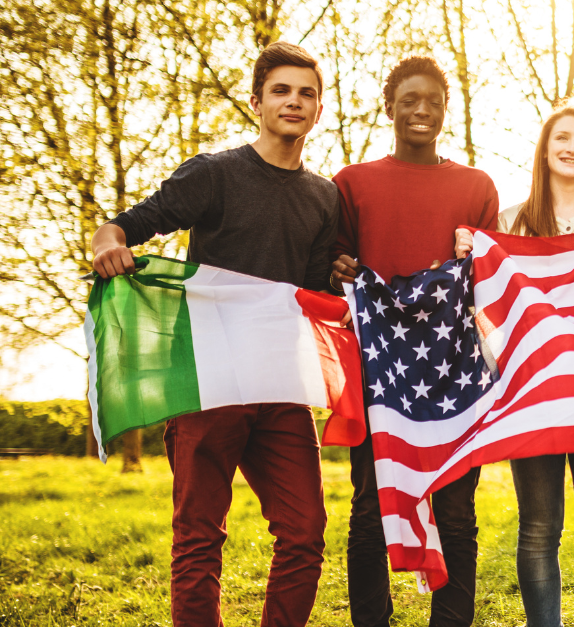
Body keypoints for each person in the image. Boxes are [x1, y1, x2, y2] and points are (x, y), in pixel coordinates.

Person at [89, 42, 337, 627]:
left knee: (304, 533)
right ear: (257, 102)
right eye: (280, 91)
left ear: (319, 108)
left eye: (306, 93)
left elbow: (310, 288)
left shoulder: (324, 197)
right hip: (208, 380)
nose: (293, 102)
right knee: (199, 536)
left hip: (281, 384)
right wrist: (107, 243)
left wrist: (341, 275)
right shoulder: (214, 173)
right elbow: (130, 222)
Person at [453, 106, 574, 627]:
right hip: (531, 391)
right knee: (539, 527)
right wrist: (473, 257)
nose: (573, 147)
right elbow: (490, 307)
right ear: (545, 148)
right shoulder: (511, 222)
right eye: (563, 137)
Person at [329, 55, 499, 627]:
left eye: (433, 101)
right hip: (380, 372)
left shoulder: (476, 187)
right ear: (389, 108)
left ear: (446, 110)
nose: (421, 111)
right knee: (370, 508)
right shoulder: (351, 184)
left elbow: (495, 280)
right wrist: (337, 269)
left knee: (456, 513)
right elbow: (333, 266)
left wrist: (474, 261)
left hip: (454, 372)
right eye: (409, 101)